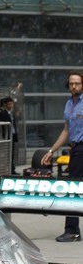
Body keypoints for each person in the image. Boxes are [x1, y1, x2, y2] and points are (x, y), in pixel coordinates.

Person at [41, 71, 83, 242]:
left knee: (72, 189)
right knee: (72, 189)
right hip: (75, 150)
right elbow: (66, 131)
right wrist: (51, 151)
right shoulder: (68, 105)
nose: (74, 86)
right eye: (71, 83)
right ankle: (72, 230)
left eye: (77, 83)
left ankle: (72, 231)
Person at [0, 97, 18, 174]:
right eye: (9, 104)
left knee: (12, 153)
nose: (11, 105)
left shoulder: (11, 113)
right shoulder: (3, 113)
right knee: (7, 153)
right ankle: (8, 169)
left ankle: (12, 168)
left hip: (12, 134)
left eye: (11, 104)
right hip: (7, 135)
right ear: (5, 105)